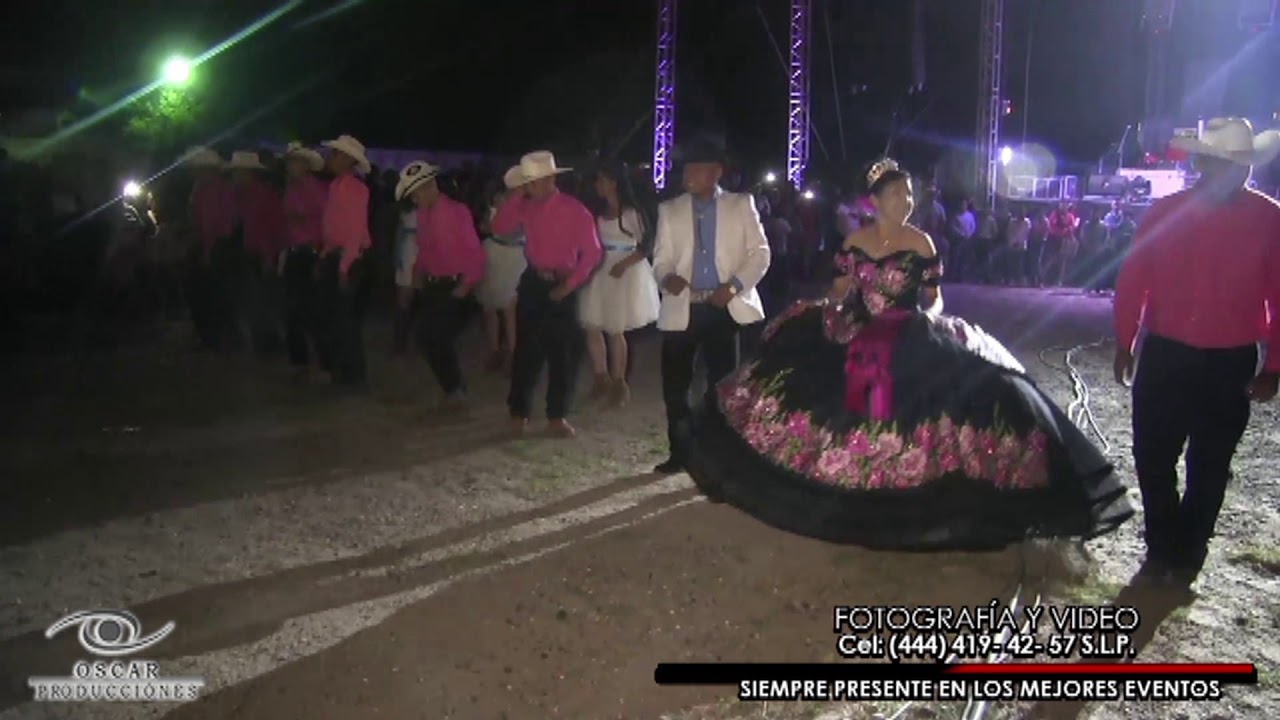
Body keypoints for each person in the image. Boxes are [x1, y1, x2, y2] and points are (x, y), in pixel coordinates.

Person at [684, 157, 1134, 551]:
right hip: (856, 330)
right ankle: (836, 485)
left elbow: (933, 298)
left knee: (956, 398)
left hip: (906, 332)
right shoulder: (853, 242)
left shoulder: (922, 244)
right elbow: (840, 291)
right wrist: (827, 310)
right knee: (819, 398)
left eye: (909, 193)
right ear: (876, 199)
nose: (907, 200)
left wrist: (928, 317)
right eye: (898, 193)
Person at [1114, 117, 1280, 586]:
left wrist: (1275, 366)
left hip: (1229, 362)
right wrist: (1125, 340)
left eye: (1241, 166)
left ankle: (1187, 552)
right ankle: (1165, 545)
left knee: (1209, 464)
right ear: (1204, 163)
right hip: (1166, 353)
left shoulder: (1270, 219)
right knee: (1152, 456)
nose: (1235, 174)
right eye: (1226, 164)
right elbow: (1133, 280)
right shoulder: (1165, 212)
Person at [652, 135, 771, 474]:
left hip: (723, 308)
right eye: (686, 168)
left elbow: (761, 253)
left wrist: (733, 286)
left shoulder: (740, 205)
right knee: (675, 386)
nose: (688, 174)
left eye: (696, 169)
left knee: (723, 388)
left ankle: (720, 457)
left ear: (716, 172)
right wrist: (666, 278)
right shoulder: (670, 210)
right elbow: (660, 259)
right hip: (683, 306)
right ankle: (681, 452)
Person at [491, 151, 603, 438]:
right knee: (526, 350)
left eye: (536, 181)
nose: (532, 187)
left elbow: (592, 253)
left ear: (552, 179)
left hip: (563, 282)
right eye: (528, 182)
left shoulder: (575, 210)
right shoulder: (524, 206)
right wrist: (515, 197)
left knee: (562, 353)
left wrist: (569, 285)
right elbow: (499, 228)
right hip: (533, 281)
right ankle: (519, 412)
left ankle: (557, 415)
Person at [395, 161, 486, 408]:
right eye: (412, 195)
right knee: (427, 337)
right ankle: (453, 388)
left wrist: (464, 287)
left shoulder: (457, 212)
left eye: (416, 193)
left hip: (455, 284)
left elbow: (475, 254)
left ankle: (455, 390)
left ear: (430, 186)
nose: (414, 199)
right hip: (434, 285)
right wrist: (417, 276)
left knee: (435, 335)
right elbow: (425, 249)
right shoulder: (423, 214)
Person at [578, 163, 660, 407]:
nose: (598, 185)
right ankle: (600, 376)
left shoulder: (631, 213)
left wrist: (625, 264)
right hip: (601, 269)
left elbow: (646, 245)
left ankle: (619, 381)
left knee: (616, 328)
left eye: (602, 180)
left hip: (624, 269)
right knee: (592, 325)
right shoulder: (599, 212)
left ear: (614, 183)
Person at [318, 134, 373, 389]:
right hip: (335, 255)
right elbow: (332, 226)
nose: (330, 158)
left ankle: (353, 377)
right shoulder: (336, 186)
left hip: (348, 259)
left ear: (347, 159)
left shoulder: (356, 189)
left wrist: (344, 266)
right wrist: (325, 253)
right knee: (334, 319)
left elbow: (354, 231)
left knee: (346, 321)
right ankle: (342, 372)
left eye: (336, 154)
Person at [227, 150, 286, 355]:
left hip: (261, 254)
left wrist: (269, 257)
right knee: (255, 300)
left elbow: (272, 229)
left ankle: (268, 344)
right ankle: (264, 343)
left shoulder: (262, 195)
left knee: (260, 301)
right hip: (250, 252)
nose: (234, 176)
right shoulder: (242, 195)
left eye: (237, 172)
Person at [281, 142, 329, 381]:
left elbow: (325, 223)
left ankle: (324, 363)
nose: (291, 166)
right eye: (289, 162)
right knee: (293, 310)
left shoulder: (316, 189)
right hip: (294, 252)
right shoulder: (291, 189)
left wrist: (321, 255)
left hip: (310, 253)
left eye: (295, 161)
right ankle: (299, 361)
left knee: (313, 312)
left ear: (306, 165)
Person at [475, 169, 529, 375]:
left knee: (509, 308)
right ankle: (495, 350)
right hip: (494, 252)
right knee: (489, 306)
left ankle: (513, 356)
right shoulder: (499, 198)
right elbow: (486, 224)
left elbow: (512, 230)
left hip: (514, 256)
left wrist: (492, 227)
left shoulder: (528, 204)